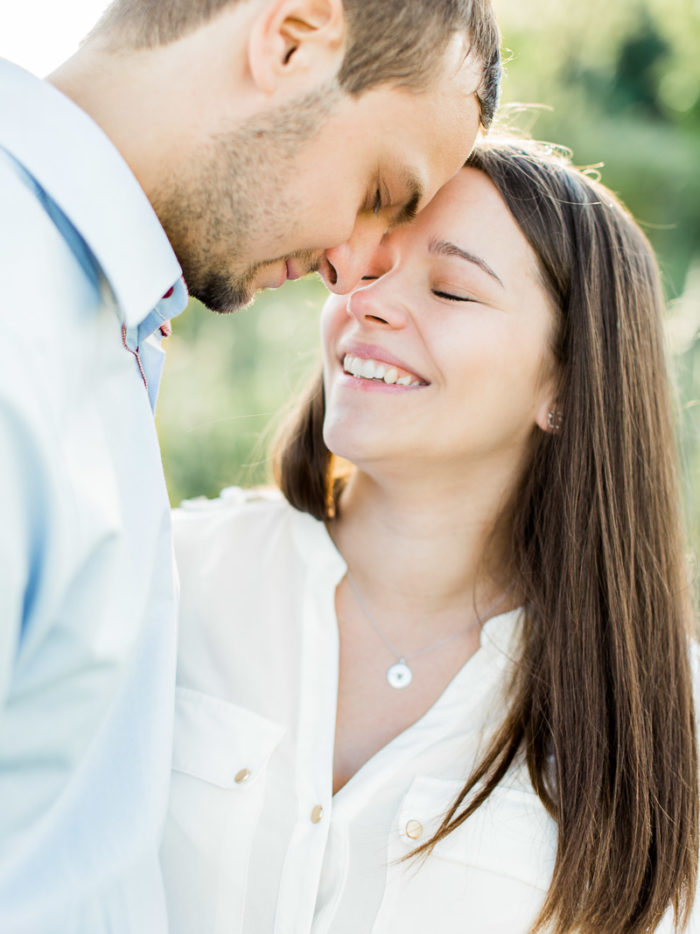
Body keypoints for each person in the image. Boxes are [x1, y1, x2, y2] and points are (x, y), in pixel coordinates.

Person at [0, 1, 501, 931]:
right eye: (380, 189)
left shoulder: (92, 325)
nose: (354, 264)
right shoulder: (17, 313)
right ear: (292, 40)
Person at [162, 137, 700, 933]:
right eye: (367, 269)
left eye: (450, 290)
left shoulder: (665, 724)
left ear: (566, 386)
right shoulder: (171, 577)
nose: (366, 303)